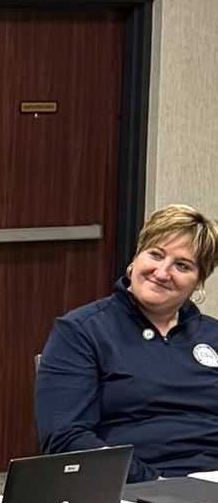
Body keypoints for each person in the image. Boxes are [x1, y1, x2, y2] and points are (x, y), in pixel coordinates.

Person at [36, 204, 218, 481]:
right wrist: (151, 482)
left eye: (182, 265)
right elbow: (65, 437)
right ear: (135, 258)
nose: (162, 272)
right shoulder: (81, 331)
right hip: (132, 486)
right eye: (155, 254)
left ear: (198, 282)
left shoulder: (212, 335)